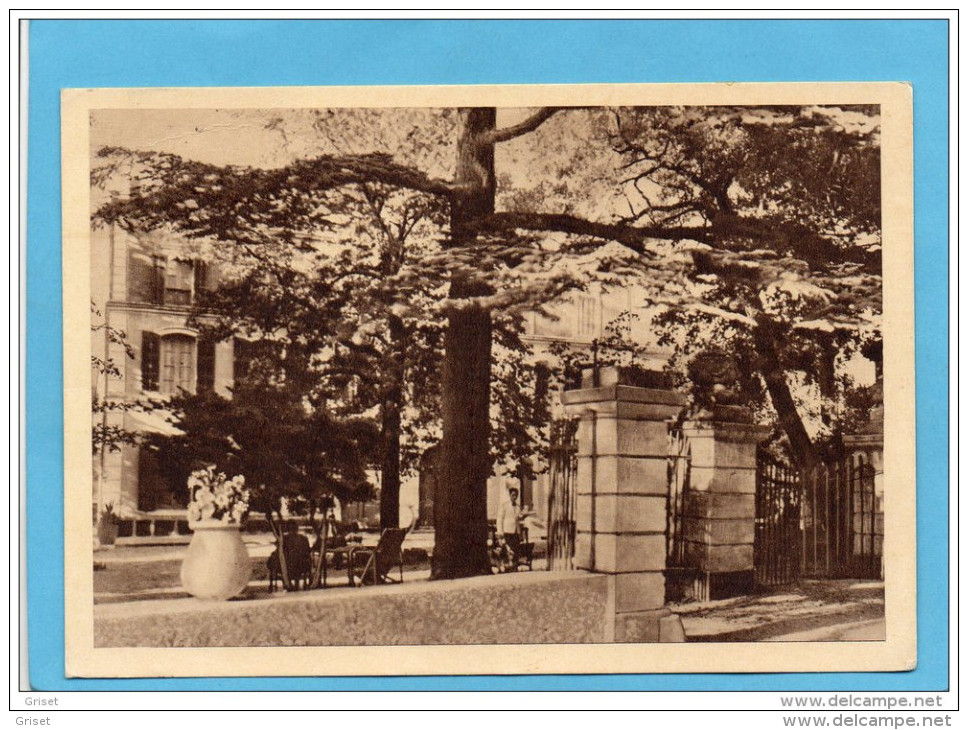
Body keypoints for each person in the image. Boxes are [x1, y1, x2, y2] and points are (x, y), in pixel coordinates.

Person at [496, 487, 522, 571]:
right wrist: (500, 532)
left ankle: (514, 567)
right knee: (507, 550)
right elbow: (500, 519)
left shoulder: (518, 507)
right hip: (507, 531)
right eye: (513, 495)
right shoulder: (505, 506)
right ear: (510, 495)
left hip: (515, 532)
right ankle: (506, 567)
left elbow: (518, 519)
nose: (514, 497)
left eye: (516, 495)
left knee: (515, 550)